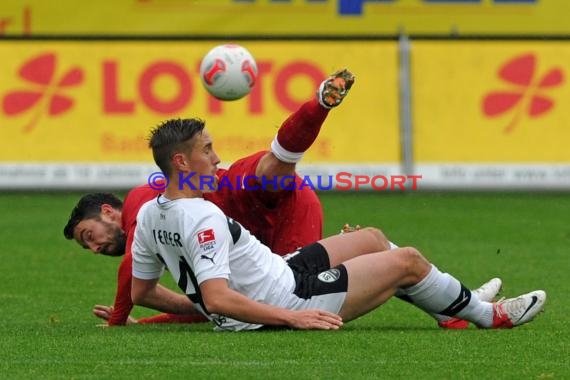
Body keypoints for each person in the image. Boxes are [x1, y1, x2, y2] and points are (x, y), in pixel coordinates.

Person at [130, 117, 546, 331]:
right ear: (181, 162)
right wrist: (290, 317)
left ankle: (450, 309)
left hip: (283, 271)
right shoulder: (203, 215)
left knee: (373, 239)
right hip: (292, 298)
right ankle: (488, 315)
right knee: (408, 262)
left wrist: (202, 306)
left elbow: (142, 292)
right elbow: (218, 297)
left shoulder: (151, 211)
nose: (218, 158)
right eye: (207, 150)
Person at [63, 69, 355, 325]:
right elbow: (213, 302)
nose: (94, 248)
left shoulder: (140, 205)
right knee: (262, 297)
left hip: (249, 200)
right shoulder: (161, 218)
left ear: (107, 211)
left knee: (274, 171)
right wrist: (148, 322)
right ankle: (361, 252)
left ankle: (319, 105)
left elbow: (131, 273)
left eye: (88, 235)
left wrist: (117, 322)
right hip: (236, 223)